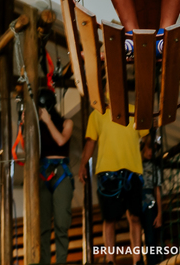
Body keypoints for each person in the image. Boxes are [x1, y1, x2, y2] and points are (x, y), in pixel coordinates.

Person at [79, 102, 147, 264]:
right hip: (107, 172)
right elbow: (90, 142)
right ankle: (110, 260)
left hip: (133, 170)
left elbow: (145, 136)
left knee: (135, 217)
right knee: (109, 219)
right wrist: (82, 164)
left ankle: (138, 260)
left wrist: (138, 157)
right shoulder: (97, 113)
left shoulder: (134, 110)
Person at [36, 89, 74, 264]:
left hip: (61, 173)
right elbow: (24, 147)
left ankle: (61, 262)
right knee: (43, 226)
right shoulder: (37, 127)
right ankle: (44, 261)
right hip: (43, 173)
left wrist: (48, 121)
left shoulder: (67, 123)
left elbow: (60, 140)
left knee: (61, 223)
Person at [140, 135, 163, 263]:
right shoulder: (136, 165)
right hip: (137, 203)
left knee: (150, 239)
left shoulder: (154, 168)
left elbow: (157, 191)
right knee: (138, 238)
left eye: (153, 150)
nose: (150, 153)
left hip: (150, 204)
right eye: (149, 149)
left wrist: (159, 213)